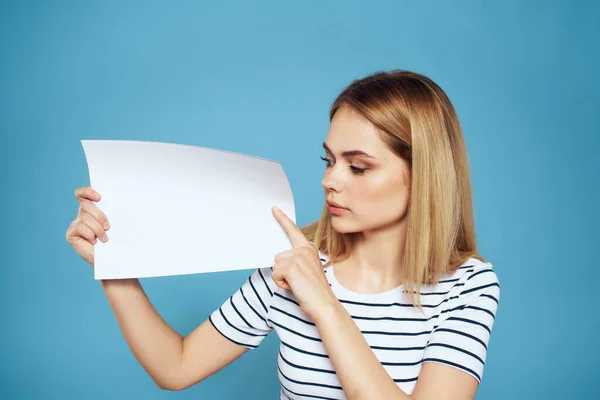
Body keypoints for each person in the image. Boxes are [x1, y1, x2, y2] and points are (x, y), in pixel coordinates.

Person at [66, 70, 500, 399]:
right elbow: (175, 367)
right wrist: (113, 260)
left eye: (358, 166)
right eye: (328, 160)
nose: (331, 180)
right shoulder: (290, 264)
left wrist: (325, 306)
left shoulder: (468, 287)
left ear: (422, 174)